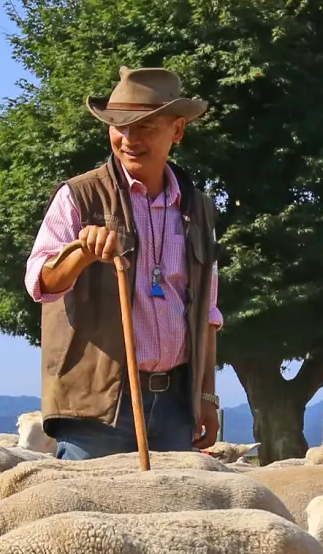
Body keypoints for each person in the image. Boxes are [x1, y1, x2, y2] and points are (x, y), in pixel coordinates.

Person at [24, 66, 223, 460]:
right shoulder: (78, 197)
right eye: (119, 126)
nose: (129, 139)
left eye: (146, 127)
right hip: (96, 412)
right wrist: (80, 253)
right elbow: (40, 282)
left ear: (177, 130)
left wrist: (206, 394)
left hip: (175, 409)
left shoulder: (199, 208)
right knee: (88, 520)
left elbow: (207, 312)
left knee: (170, 520)